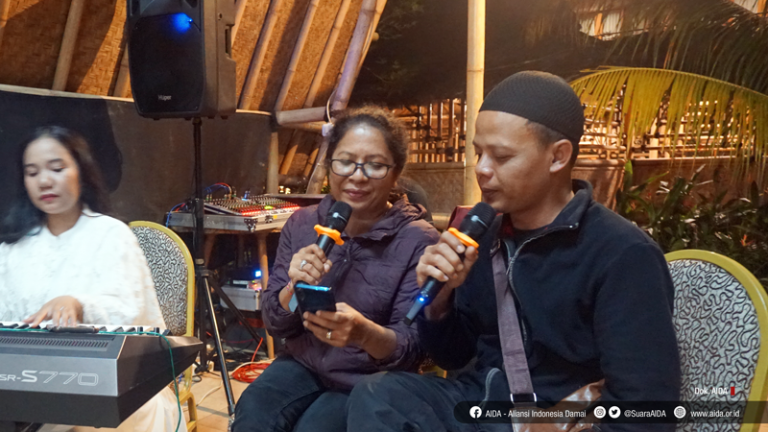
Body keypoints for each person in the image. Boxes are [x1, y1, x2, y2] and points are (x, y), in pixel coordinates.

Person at [347, 72, 681, 432]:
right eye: (479, 152)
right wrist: (439, 302)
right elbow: (454, 356)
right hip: (481, 406)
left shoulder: (622, 254)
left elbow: (644, 409)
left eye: (502, 156)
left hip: (555, 419)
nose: (482, 169)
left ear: (558, 157)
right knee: (379, 396)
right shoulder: (483, 236)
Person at [232, 106, 439, 432]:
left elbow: (413, 348)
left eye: (375, 165)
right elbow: (274, 322)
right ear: (329, 165)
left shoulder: (418, 239)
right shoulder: (303, 223)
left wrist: (363, 334)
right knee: (253, 411)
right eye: (345, 161)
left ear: (395, 172)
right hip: (303, 362)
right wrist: (293, 288)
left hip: (369, 379)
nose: (357, 175)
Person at [0, 126, 185, 432]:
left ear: (81, 172)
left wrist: (79, 305)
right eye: (32, 172)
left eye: (57, 168)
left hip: (108, 382)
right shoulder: (12, 247)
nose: (44, 181)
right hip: (29, 380)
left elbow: (132, 314)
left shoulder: (112, 235)